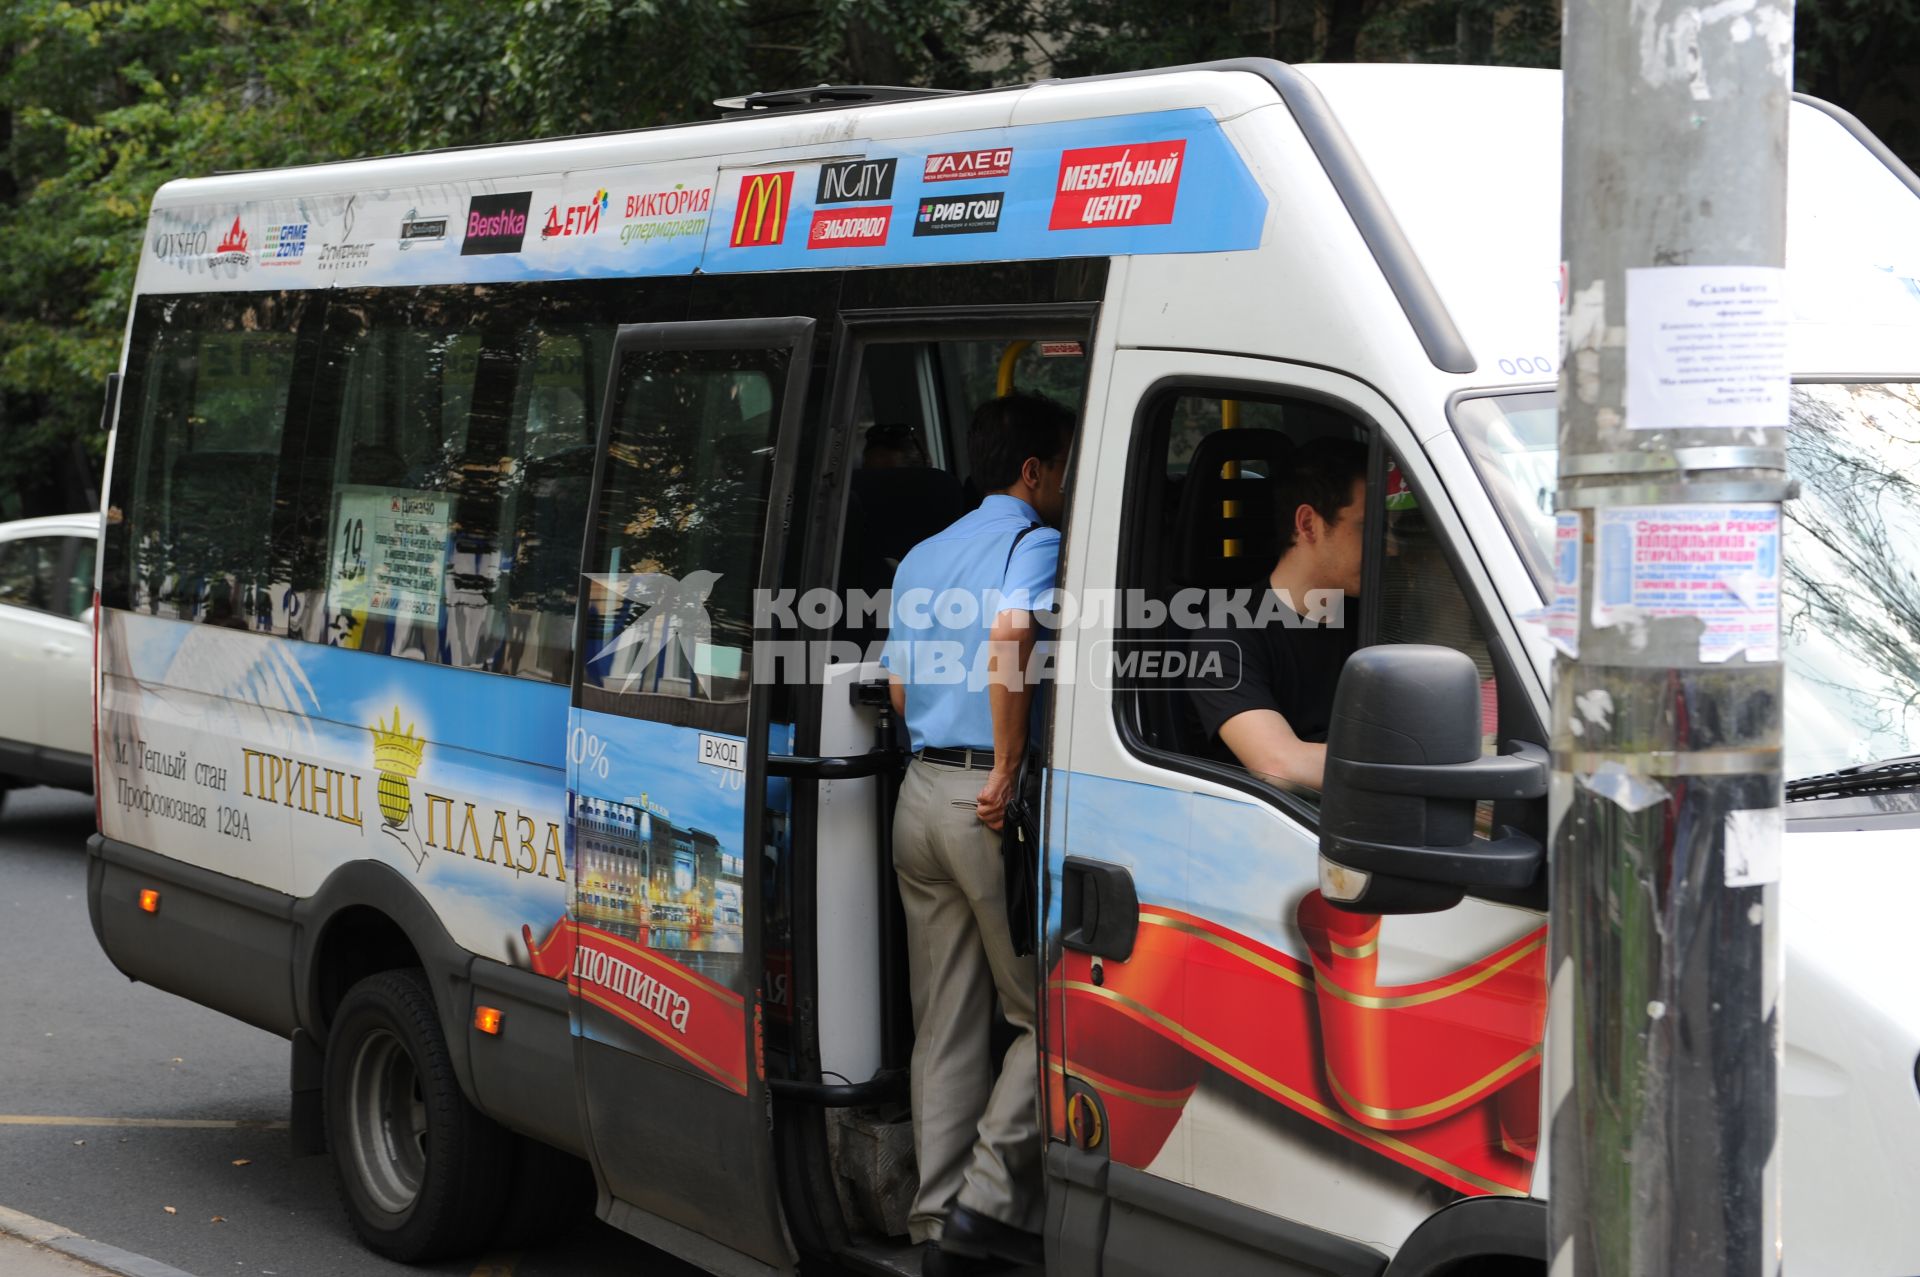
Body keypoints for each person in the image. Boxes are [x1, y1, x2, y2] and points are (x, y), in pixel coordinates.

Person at [880, 391, 1072, 1274]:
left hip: (916, 794)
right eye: (1061, 468)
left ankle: (932, 1219)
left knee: (945, 1021)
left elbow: (895, 690)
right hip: (980, 805)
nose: (1064, 485)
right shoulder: (1033, 542)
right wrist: (1003, 764)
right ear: (1033, 472)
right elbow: (1010, 637)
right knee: (1047, 1017)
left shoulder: (923, 552)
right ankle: (987, 1211)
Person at [1186, 437, 1369, 791]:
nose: (1388, 545)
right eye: (1367, 527)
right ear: (1308, 524)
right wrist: (1420, 772)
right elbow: (1279, 764)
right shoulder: (1226, 636)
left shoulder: (1378, 611)